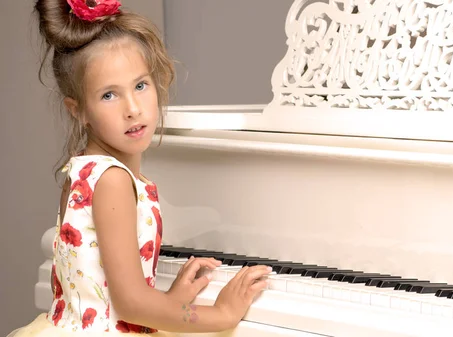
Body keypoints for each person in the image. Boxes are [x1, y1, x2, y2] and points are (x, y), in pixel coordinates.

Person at [8, 0, 273, 335]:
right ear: (78, 110)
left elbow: (90, 287)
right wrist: (221, 313)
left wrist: (170, 300)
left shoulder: (84, 170)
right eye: (108, 95)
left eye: (140, 85)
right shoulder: (113, 180)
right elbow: (131, 304)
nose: (132, 108)